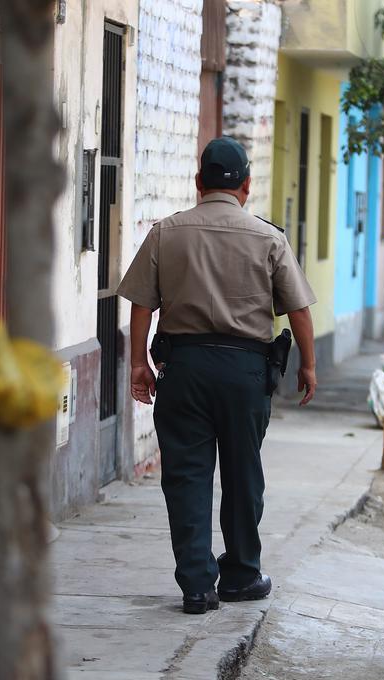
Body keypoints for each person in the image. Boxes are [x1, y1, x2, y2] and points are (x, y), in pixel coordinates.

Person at [116, 136, 317, 615]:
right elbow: (298, 310)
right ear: (246, 185)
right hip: (246, 374)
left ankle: (197, 586)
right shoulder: (269, 238)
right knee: (244, 474)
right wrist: (307, 365)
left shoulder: (167, 232)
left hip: (183, 370)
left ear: (199, 182)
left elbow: (141, 304)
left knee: (186, 477)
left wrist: (140, 362)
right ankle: (243, 575)